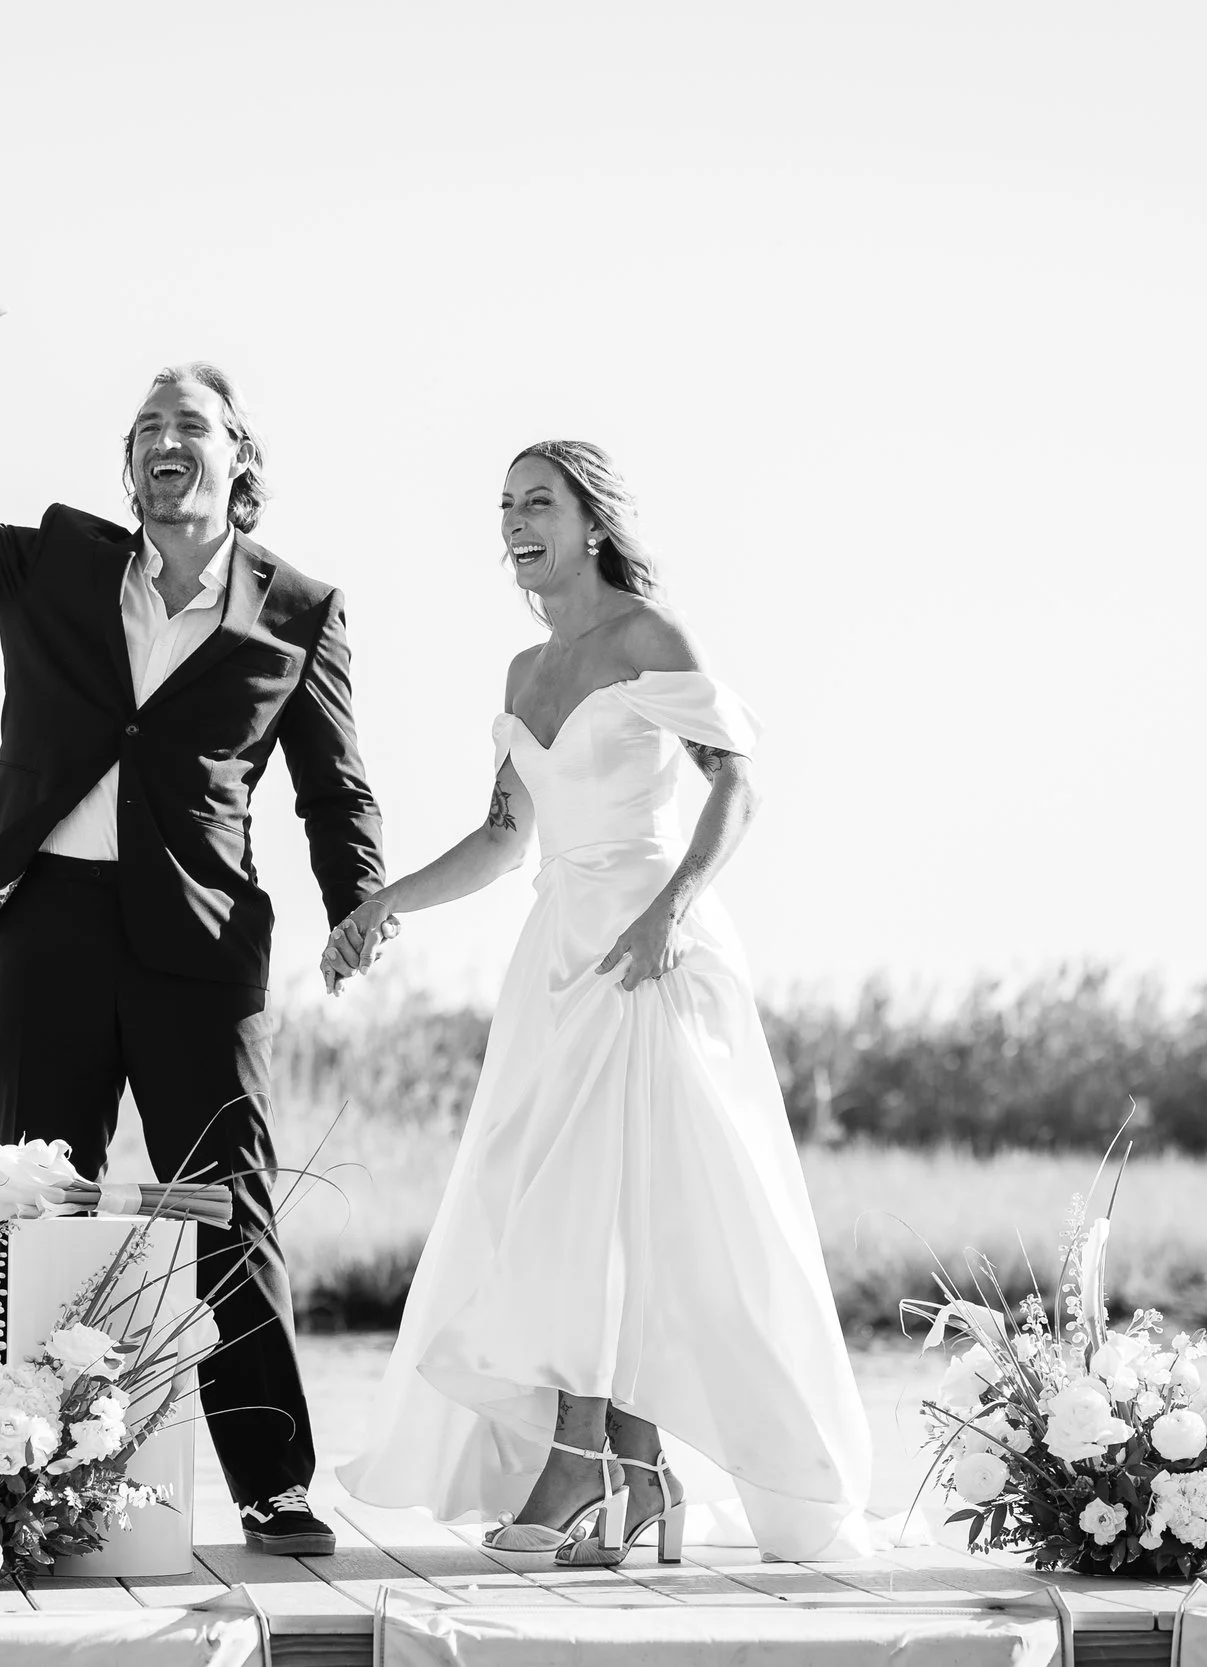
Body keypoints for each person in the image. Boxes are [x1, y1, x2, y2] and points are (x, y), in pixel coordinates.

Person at [0, 240, 390, 1556]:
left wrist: (359, 897)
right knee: (43, 1200)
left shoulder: (301, 610)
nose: (164, 439)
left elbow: (334, 785)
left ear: (238, 461)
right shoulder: (54, 564)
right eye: (145, 425)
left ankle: (272, 1482)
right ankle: (26, 1473)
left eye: (189, 423)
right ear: (128, 467)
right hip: (46, 930)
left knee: (229, 1201)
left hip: (200, 946)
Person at [329, 441, 879, 1564]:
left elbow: (740, 780)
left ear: (593, 521)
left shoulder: (648, 637)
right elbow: (501, 836)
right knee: (558, 1200)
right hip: (555, 955)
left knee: (628, 1210)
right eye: (506, 506)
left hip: (650, 949)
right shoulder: (524, 672)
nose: (517, 522)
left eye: (541, 501)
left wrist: (671, 908)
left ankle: (584, 1462)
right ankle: (639, 1478)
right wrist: (384, 902)